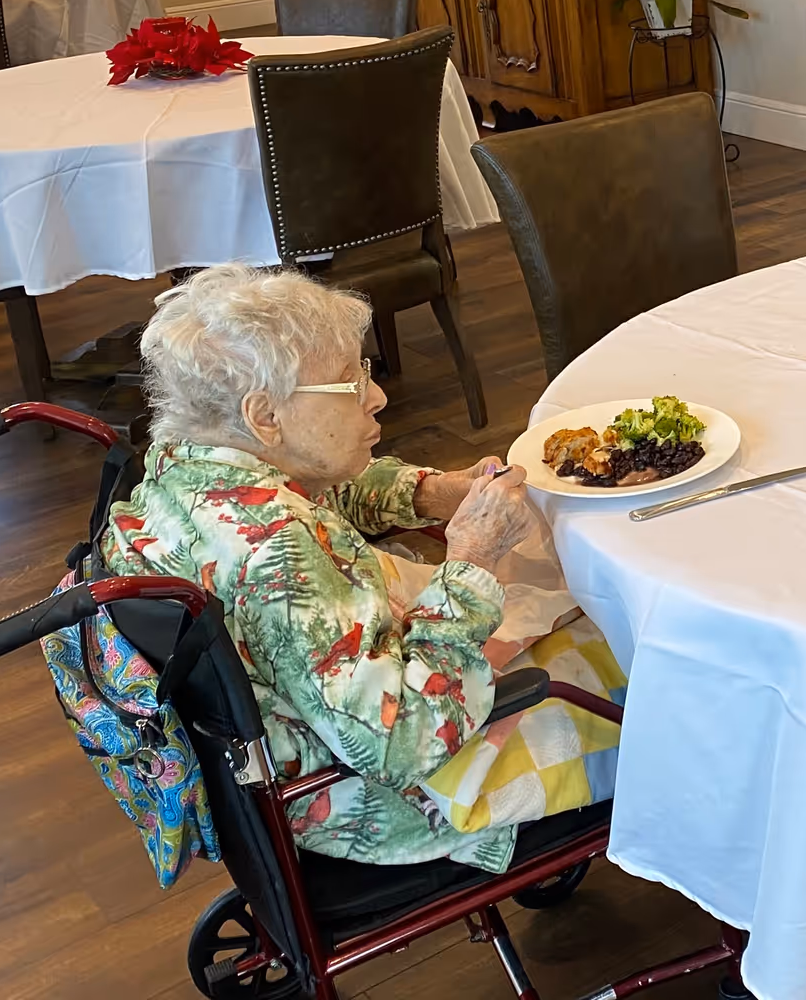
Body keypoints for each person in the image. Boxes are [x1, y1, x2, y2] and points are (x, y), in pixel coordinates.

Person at [99, 263, 619, 873]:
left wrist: (430, 493)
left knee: (566, 595)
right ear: (264, 414)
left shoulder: (191, 466)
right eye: (349, 383)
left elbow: (313, 487)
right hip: (389, 796)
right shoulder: (278, 560)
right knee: (641, 659)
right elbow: (405, 744)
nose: (377, 396)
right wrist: (470, 561)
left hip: (307, 729)